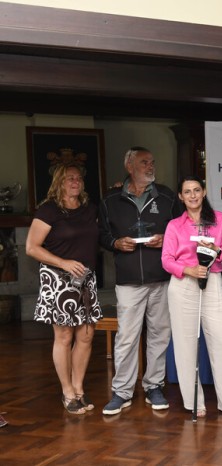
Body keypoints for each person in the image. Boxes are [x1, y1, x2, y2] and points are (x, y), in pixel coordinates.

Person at [99, 146, 181, 415]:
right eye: (144, 162)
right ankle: (122, 391)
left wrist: (165, 240)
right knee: (126, 337)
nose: (150, 166)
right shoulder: (110, 198)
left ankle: (153, 386)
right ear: (129, 166)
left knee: (159, 334)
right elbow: (101, 234)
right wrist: (115, 242)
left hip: (161, 279)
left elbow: (181, 230)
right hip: (128, 281)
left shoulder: (167, 196)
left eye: (152, 162)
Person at [161, 176, 222, 417]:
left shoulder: (219, 219)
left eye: (197, 190)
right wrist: (187, 269)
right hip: (183, 283)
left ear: (204, 191)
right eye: (188, 192)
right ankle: (194, 402)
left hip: (212, 280)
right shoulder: (175, 225)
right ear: (181, 196)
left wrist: (217, 252)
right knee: (186, 345)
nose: (193, 195)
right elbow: (166, 260)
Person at [26, 163, 102, 414]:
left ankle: (79, 389)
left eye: (79, 178)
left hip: (85, 279)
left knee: (87, 335)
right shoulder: (49, 210)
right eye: (69, 178)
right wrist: (64, 263)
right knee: (65, 336)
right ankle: (67, 391)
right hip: (58, 278)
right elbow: (32, 247)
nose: (75, 182)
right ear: (59, 182)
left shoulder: (90, 209)